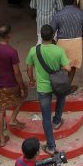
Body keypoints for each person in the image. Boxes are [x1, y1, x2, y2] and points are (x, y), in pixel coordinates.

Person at [26, 24, 71, 155]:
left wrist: (32, 80)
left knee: (46, 117)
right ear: (53, 36)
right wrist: (58, 70)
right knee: (61, 98)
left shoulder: (33, 50)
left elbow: (29, 68)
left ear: (40, 35)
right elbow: (68, 68)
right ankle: (57, 121)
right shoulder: (59, 50)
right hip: (57, 84)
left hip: (43, 88)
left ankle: (51, 146)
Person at [0, 24, 28, 147]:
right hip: (11, 85)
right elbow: (17, 73)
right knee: (24, 94)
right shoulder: (12, 52)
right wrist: (21, 87)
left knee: (0, 109)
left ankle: (1, 138)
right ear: (9, 35)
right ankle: (13, 118)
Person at [50, 0, 83, 86]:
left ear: (62, 0)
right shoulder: (81, 13)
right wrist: (81, 40)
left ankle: (59, 85)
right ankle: (68, 85)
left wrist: (54, 43)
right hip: (77, 42)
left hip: (62, 43)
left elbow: (51, 31)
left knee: (60, 65)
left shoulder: (58, 14)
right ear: (75, 0)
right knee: (73, 65)